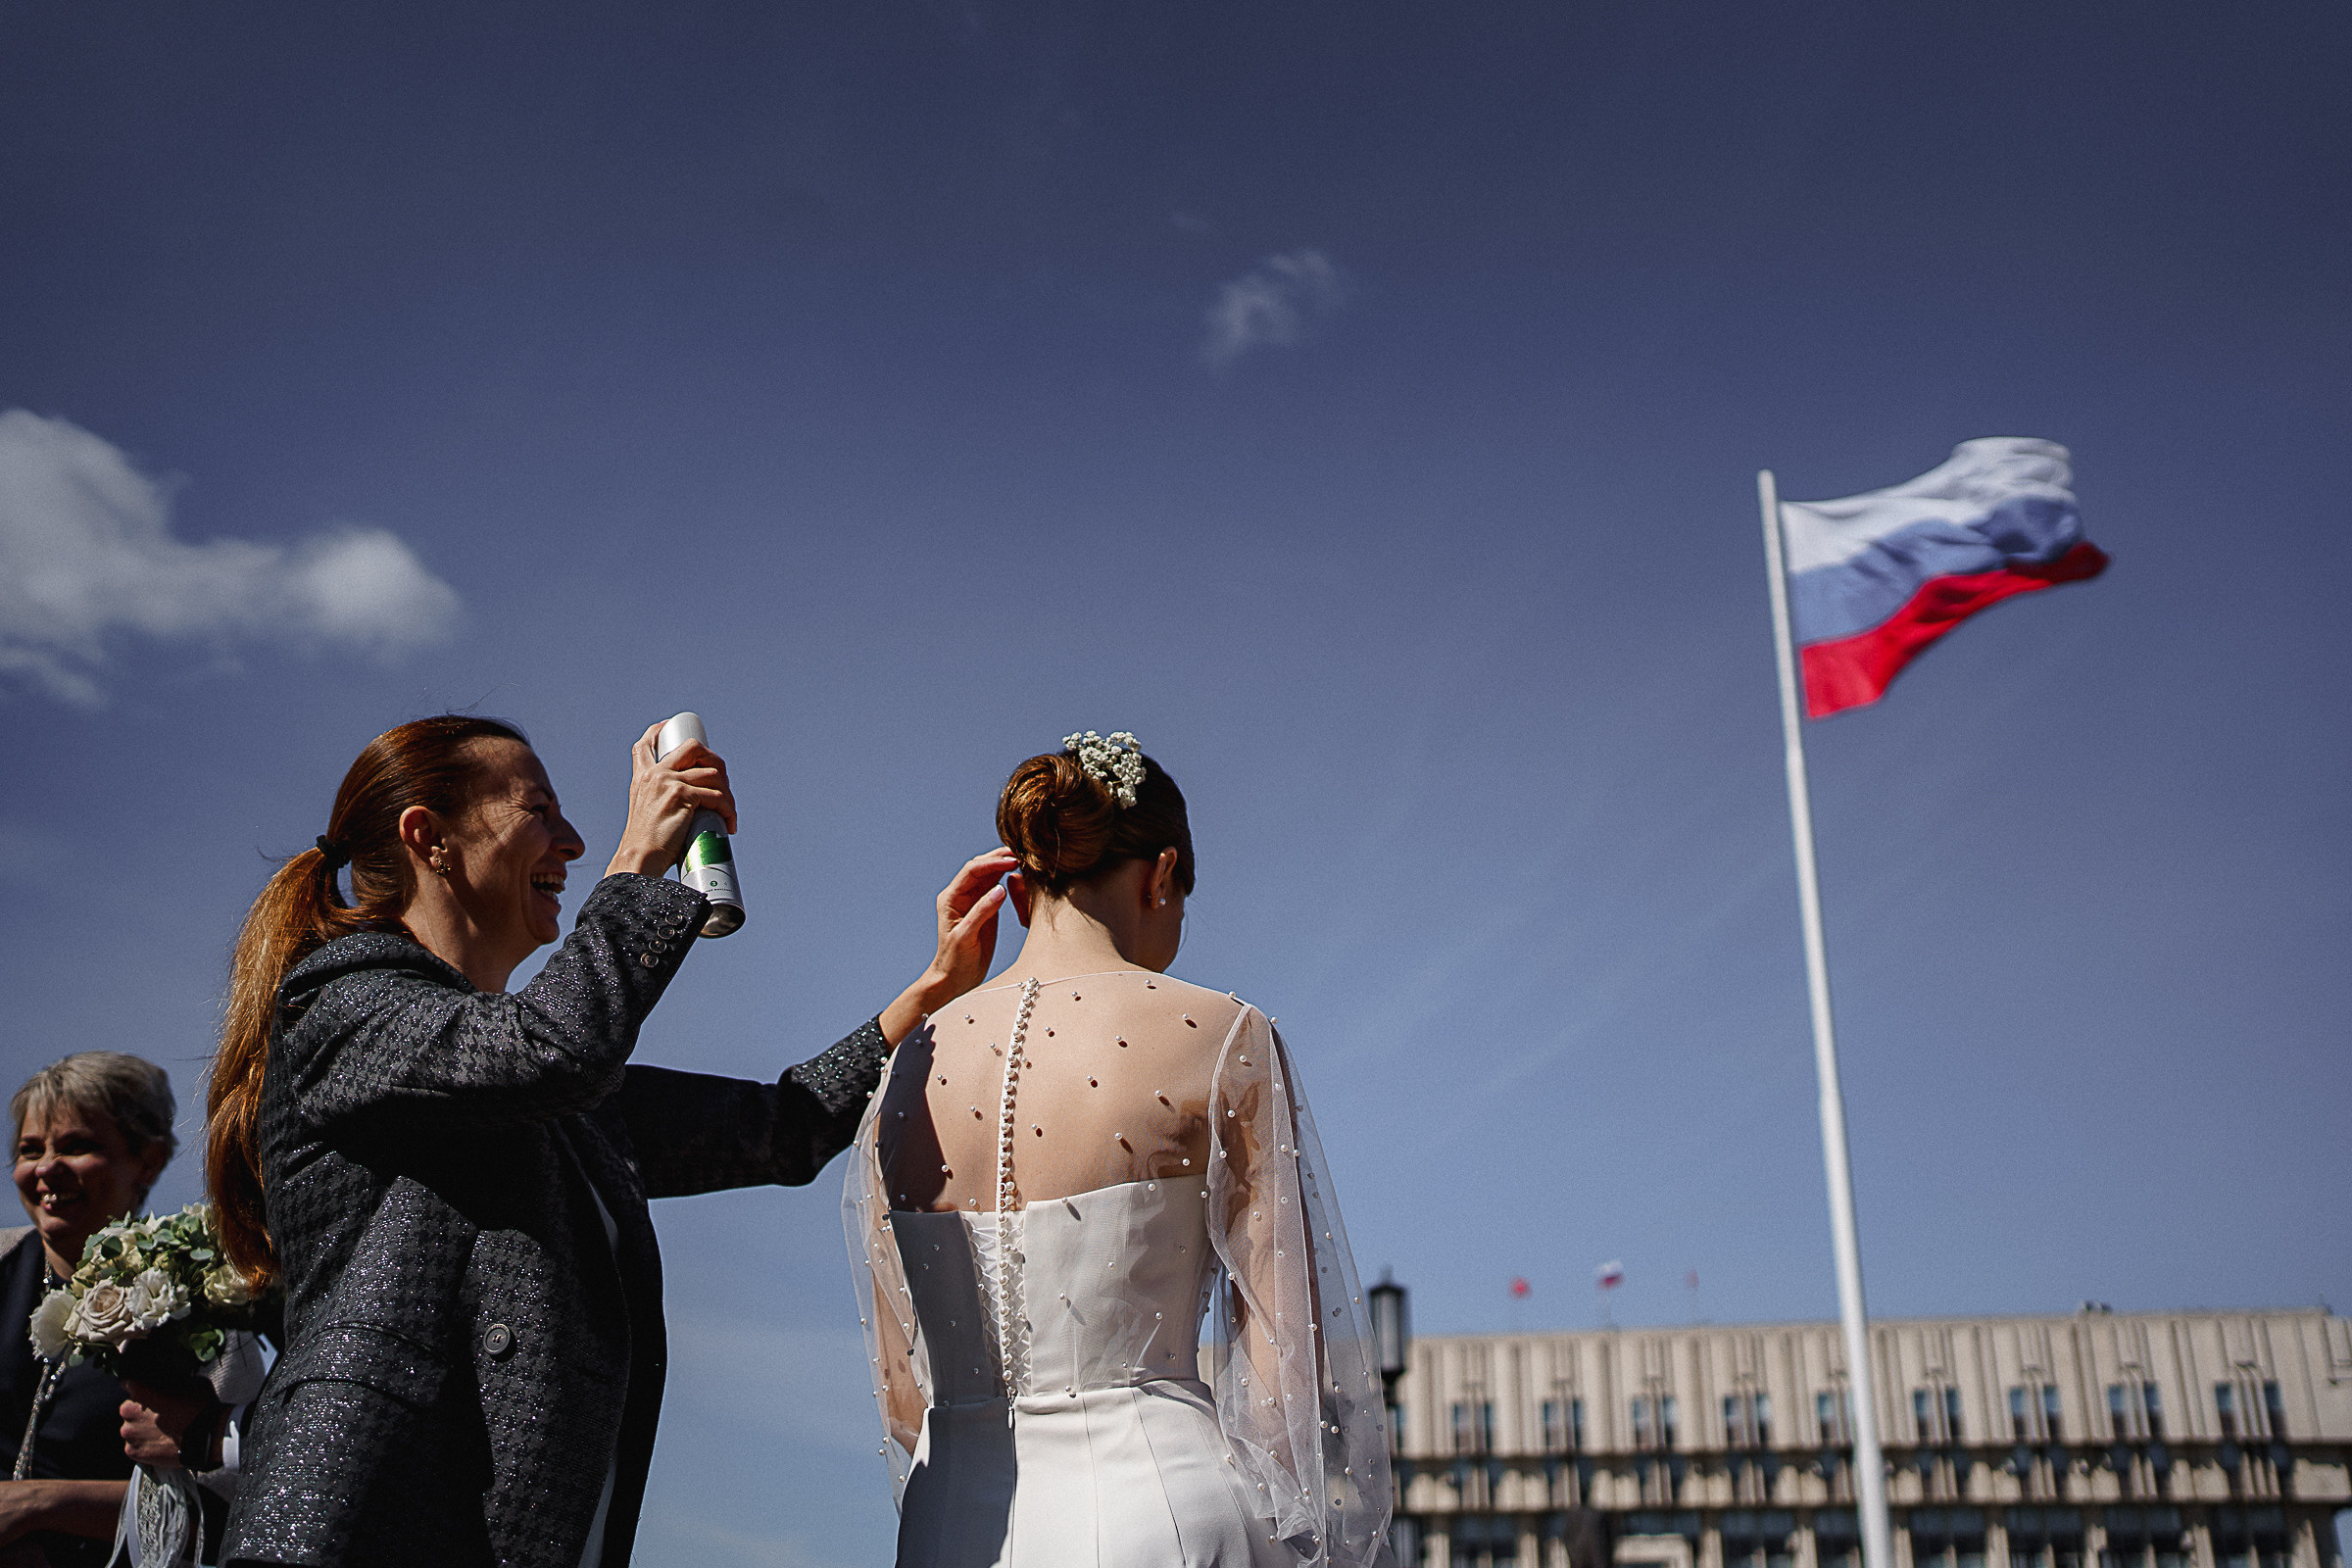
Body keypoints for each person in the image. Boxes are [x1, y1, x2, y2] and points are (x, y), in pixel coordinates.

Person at [207, 714, 1013, 1568]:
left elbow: (780, 1130)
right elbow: (550, 1051)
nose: (576, 841)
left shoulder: (545, 1090)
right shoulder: (341, 1005)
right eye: (539, 812)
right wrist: (640, 862)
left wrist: (932, 992)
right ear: (429, 838)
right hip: (365, 1527)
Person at [846, 731, 1395, 1568]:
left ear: (1020, 882)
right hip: (1160, 1510)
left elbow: (900, 1391)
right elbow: (1285, 1370)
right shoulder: (1222, 1036)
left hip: (951, 1523)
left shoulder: (905, 1065)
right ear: (1162, 874)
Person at [0, 1054, 178, 1568]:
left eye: (77, 1147)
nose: (47, 1169)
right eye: (30, 1151)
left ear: (149, 1160)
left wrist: (40, 1506)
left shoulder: (198, 1309)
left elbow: (228, 1499)